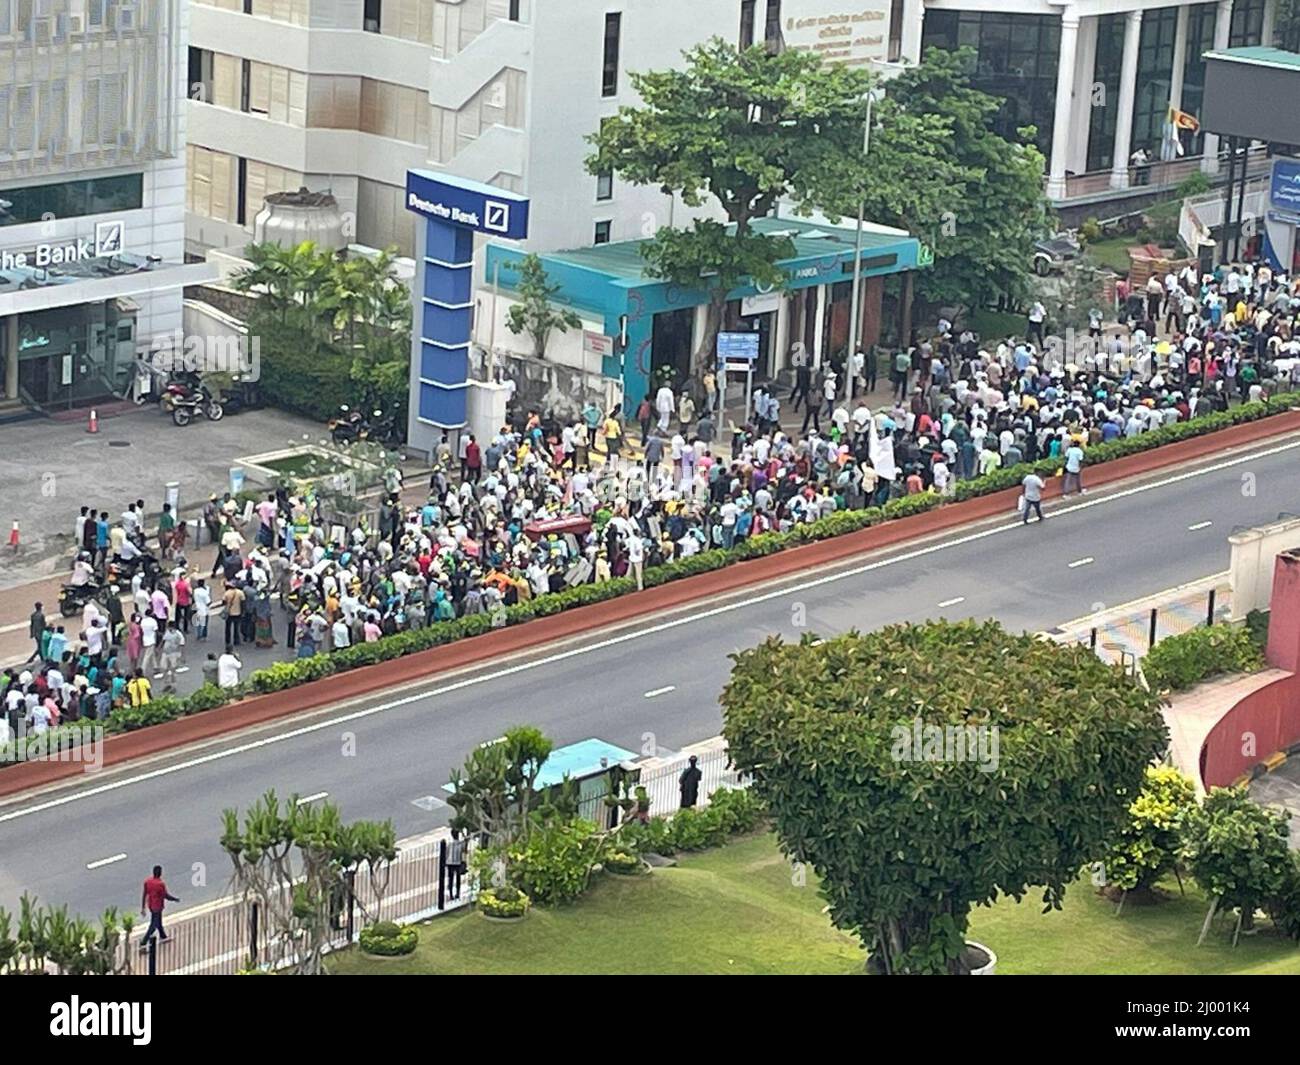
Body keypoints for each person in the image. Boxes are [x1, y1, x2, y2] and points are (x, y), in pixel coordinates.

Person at [140, 865, 179, 949]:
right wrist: (175, 899)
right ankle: (143, 942)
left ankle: (163, 936)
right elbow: (165, 895)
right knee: (153, 926)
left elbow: (144, 894)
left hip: (150, 905)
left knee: (158, 922)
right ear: (160, 873)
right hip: (158, 906)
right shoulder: (160, 884)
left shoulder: (147, 882)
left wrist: (143, 907)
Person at [446, 828, 468, 901]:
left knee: (451, 879)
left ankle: (451, 894)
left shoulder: (449, 844)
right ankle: (457, 894)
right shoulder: (460, 844)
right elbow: (465, 849)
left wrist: (446, 862)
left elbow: (446, 854)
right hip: (458, 863)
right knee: (458, 879)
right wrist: (465, 836)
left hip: (450, 863)